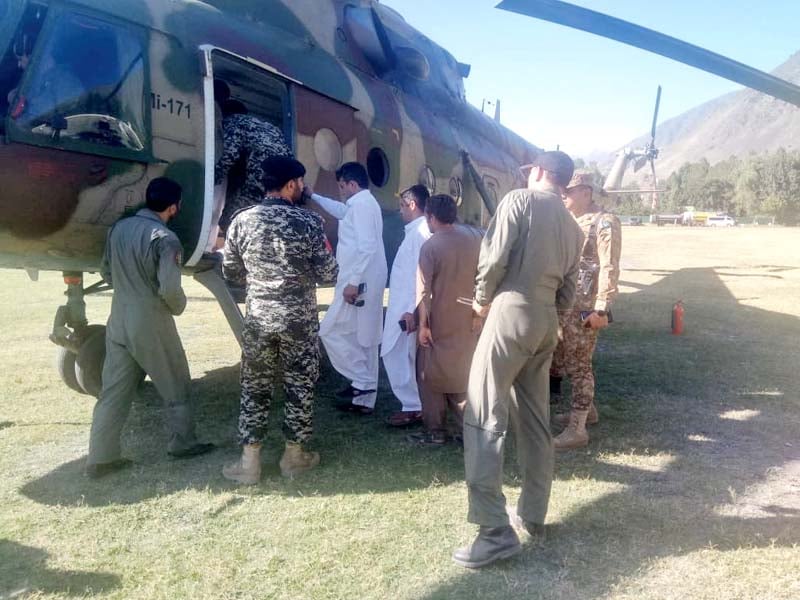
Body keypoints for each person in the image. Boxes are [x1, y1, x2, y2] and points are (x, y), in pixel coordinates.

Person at [453, 151, 584, 568]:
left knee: (483, 414)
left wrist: (479, 302)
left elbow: (493, 259)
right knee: (535, 420)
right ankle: (533, 514)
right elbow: (569, 290)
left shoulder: (518, 201)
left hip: (511, 311)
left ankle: (493, 531)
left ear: (540, 172)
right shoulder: (573, 226)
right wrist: (550, 316)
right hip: (546, 320)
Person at [86, 178, 215, 478]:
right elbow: (170, 289)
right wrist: (178, 307)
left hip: (118, 317)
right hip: (151, 319)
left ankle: (100, 457)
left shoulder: (120, 228)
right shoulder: (165, 238)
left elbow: (105, 269)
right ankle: (183, 443)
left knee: (114, 390)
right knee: (177, 383)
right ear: (173, 206)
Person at [221, 157, 338, 484]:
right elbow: (329, 272)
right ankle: (293, 457)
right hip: (298, 320)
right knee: (299, 384)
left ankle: (250, 463)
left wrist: (260, 280)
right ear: (290, 184)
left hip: (259, 319)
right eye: (300, 182)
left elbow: (230, 272)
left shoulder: (241, 221)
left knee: (254, 386)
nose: (303, 187)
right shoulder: (310, 222)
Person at [308, 163, 388, 414]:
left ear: (352, 184)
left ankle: (362, 382)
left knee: (330, 331)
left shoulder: (362, 206)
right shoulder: (361, 204)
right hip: (363, 277)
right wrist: (313, 196)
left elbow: (367, 247)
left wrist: (353, 282)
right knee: (366, 338)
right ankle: (364, 400)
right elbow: (341, 211)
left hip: (358, 279)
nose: (340, 191)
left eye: (342, 186)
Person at [551, 170, 622, 450]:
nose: (563, 196)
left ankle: (577, 429)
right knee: (569, 360)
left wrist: (602, 307)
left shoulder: (605, 222)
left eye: (568, 192)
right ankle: (586, 411)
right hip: (567, 304)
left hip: (585, 308)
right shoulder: (573, 220)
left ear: (586, 192)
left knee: (580, 365)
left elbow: (609, 265)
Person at [408, 194, 482, 446]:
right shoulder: (475, 238)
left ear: (431, 216)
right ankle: (468, 430)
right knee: (463, 373)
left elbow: (423, 291)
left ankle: (435, 431)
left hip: (438, 319)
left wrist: (423, 326)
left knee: (429, 375)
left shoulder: (431, 246)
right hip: (469, 318)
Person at [381, 185, 431, 427]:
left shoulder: (421, 232)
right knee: (401, 355)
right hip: (402, 305)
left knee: (397, 354)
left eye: (402, 205)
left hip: (406, 308)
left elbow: (422, 275)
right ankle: (415, 405)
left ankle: (414, 406)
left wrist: (412, 310)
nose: (400, 211)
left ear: (412, 205)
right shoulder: (415, 231)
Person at [214, 99, 293, 235]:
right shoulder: (271, 128)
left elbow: (229, 155)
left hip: (257, 183)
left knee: (230, 220)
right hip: (282, 187)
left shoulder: (233, 122)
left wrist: (212, 180)